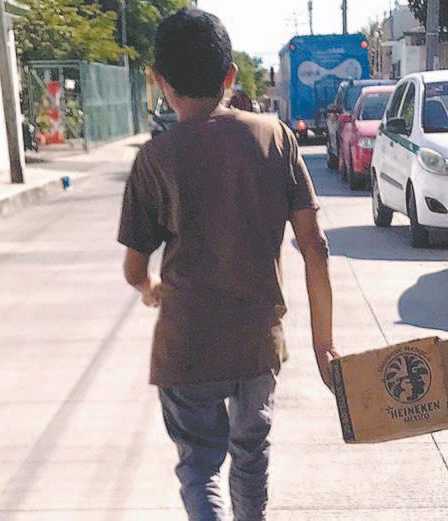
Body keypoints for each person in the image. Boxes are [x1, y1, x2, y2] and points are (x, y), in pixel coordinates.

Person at [117, 8, 336, 521]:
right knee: (251, 457)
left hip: (186, 346)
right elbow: (315, 247)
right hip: (256, 344)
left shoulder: (156, 158)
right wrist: (323, 344)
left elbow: (134, 269)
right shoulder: (275, 138)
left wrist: (149, 287)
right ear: (230, 76)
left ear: (159, 81)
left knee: (199, 467)